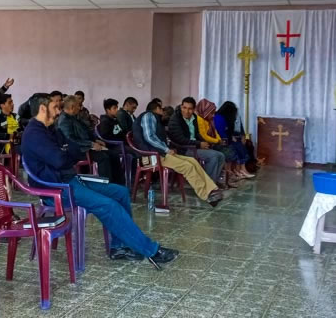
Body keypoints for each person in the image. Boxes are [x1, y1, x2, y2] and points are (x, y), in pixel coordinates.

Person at [21, 93, 178, 268]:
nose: (58, 111)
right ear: (43, 109)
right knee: (109, 206)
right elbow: (60, 160)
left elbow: (75, 149)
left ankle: (119, 247)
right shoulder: (34, 134)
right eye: (55, 107)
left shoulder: (51, 129)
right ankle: (152, 251)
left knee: (120, 192)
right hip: (56, 190)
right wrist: (66, 154)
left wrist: (66, 153)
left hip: (70, 180)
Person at [134, 100, 222, 206]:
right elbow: (150, 138)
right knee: (187, 166)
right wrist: (166, 149)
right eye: (162, 109)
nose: (163, 111)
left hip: (160, 154)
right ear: (157, 109)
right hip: (151, 156)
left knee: (192, 161)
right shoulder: (148, 116)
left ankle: (212, 189)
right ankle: (206, 195)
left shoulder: (155, 119)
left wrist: (167, 149)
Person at [58, 95, 125, 185]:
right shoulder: (64, 120)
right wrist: (91, 144)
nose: (80, 108)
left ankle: (118, 185)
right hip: (78, 150)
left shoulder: (74, 116)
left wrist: (95, 140)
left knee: (113, 154)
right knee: (103, 157)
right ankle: (106, 185)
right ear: (72, 107)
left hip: (86, 146)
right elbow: (70, 139)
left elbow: (86, 132)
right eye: (78, 105)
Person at [168, 97, 226, 188]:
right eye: (184, 108)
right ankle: (208, 187)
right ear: (181, 107)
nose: (187, 111)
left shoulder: (194, 117)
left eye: (190, 109)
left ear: (194, 109)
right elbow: (180, 140)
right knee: (213, 156)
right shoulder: (175, 119)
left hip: (194, 146)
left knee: (221, 156)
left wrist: (203, 142)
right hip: (183, 149)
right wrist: (199, 144)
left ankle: (211, 182)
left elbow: (197, 134)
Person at [213, 101, 255, 180]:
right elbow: (221, 133)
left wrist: (237, 136)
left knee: (242, 145)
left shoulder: (224, 117)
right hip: (221, 142)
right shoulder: (219, 118)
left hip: (226, 140)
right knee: (236, 148)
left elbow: (230, 130)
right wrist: (230, 138)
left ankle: (240, 170)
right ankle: (237, 171)